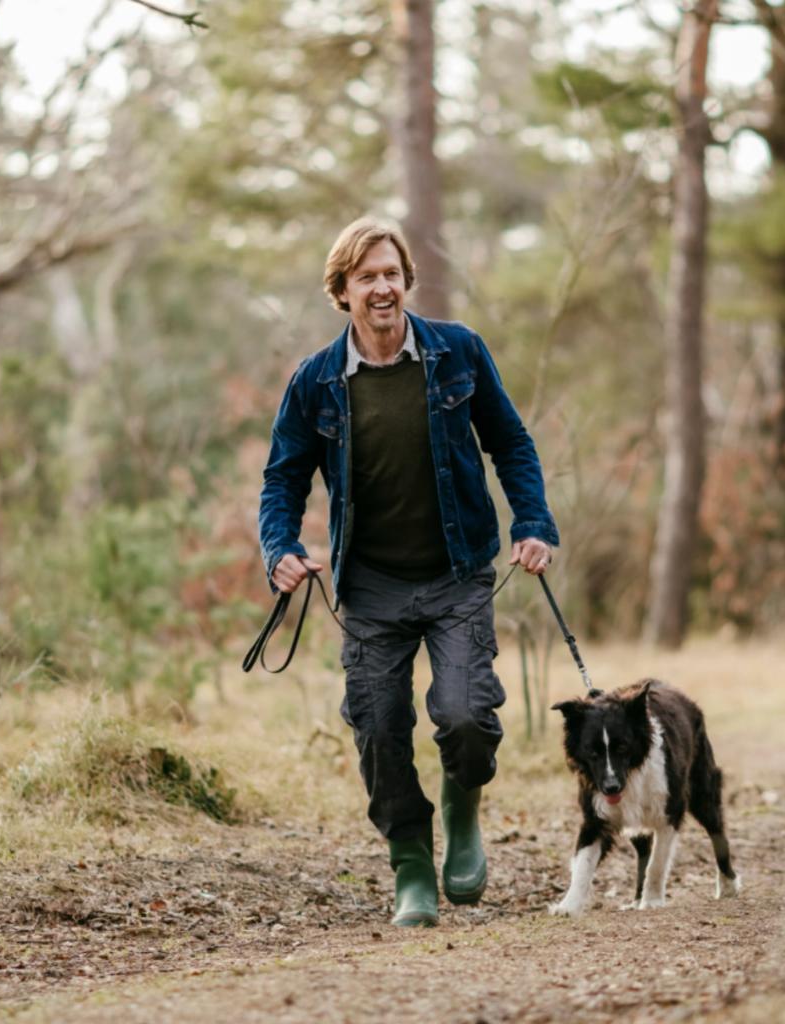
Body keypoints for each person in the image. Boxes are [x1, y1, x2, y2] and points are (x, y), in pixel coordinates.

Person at [258, 216, 558, 927]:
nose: (383, 287)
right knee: (379, 728)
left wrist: (534, 524)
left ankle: (462, 809)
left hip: (457, 574)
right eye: (367, 277)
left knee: (464, 716)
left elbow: (511, 443)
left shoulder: (458, 352)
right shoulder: (316, 382)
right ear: (343, 292)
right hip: (370, 588)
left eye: (392, 273)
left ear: (406, 282)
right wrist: (281, 548)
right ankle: (411, 868)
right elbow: (282, 479)